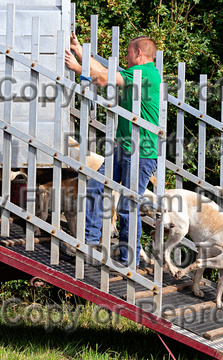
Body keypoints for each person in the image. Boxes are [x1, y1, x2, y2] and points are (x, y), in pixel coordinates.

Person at [64, 33, 161, 267]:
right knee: (96, 186)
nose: (126, 58)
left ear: (139, 53)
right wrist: (79, 50)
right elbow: (105, 71)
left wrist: (77, 67)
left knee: (128, 206)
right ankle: (90, 242)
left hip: (141, 152)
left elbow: (101, 79)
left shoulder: (144, 74)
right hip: (124, 148)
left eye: (128, 53)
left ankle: (130, 260)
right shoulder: (139, 73)